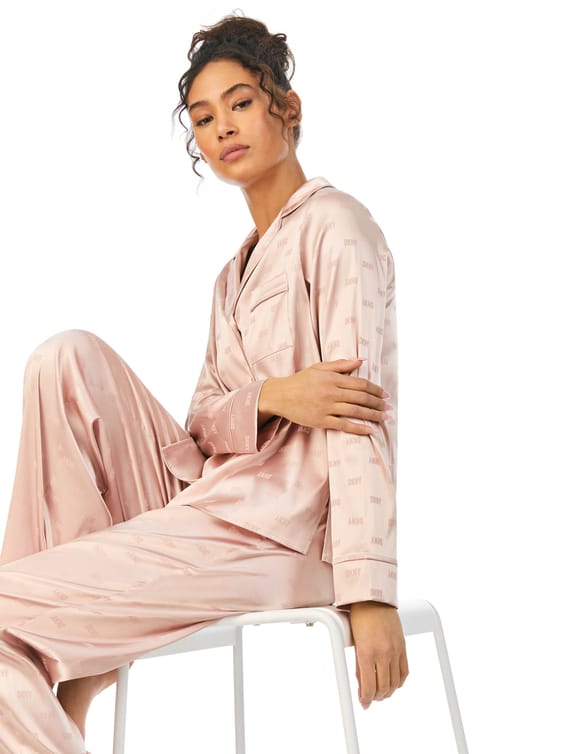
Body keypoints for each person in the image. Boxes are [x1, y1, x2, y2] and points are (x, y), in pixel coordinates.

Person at [0, 13, 408, 752]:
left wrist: (370, 590)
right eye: (203, 117)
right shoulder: (231, 276)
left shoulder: (336, 227)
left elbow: (359, 421)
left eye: (241, 102)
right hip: (212, 504)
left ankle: (60, 662)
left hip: (280, 537)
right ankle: (72, 649)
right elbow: (202, 421)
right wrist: (275, 396)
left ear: (288, 108)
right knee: (63, 357)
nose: (222, 127)